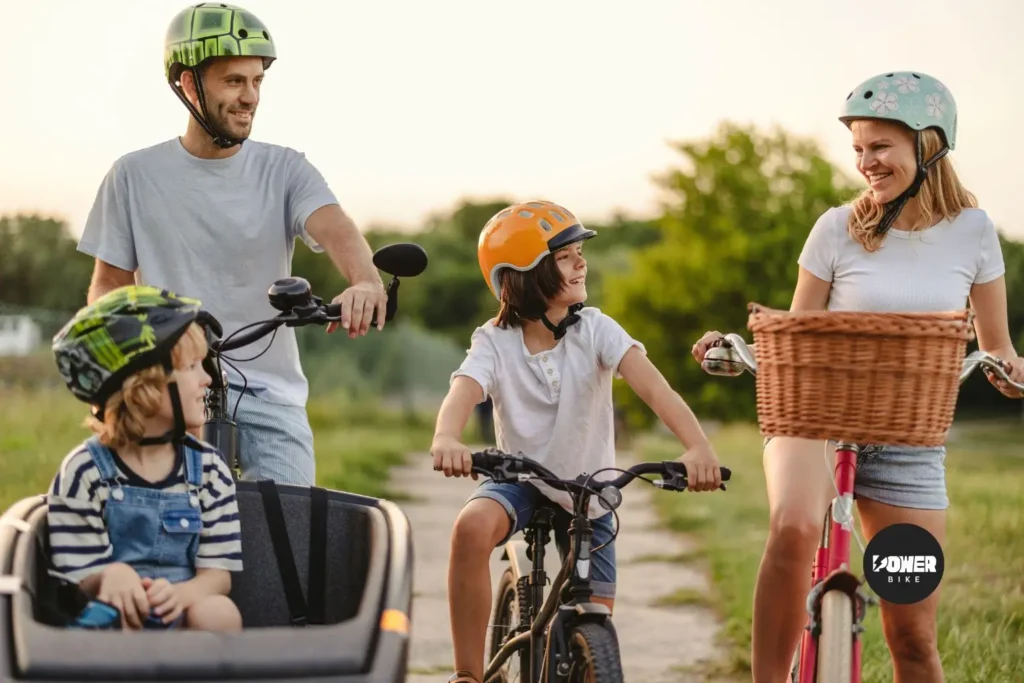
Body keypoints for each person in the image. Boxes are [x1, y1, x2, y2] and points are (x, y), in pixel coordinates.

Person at [692, 71, 1024, 683]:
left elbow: (998, 348)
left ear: (929, 145)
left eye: (880, 147)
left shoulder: (974, 233)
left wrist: (1009, 371)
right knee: (793, 528)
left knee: (914, 637)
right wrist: (738, 346)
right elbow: (798, 331)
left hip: (910, 444)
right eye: (858, 150)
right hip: (815, 421)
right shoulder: (836, 227)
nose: (866, 163)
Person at [76, 2, 388, 486]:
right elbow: (108, 289)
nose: (250, 97)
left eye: (257, 81)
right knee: (155, 532)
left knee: (291, 538)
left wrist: (365, 281)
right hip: (169, 391)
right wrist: (125, 374)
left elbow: (336, 227)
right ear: (188, 85)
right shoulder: (133, 176)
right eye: (233, 81)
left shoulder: (285, 168)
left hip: (270, 394)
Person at [430, 200, 724, 683]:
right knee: (470, 528)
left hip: (591, 491)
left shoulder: (596, 330)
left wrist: (698, 448)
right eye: (566, 256)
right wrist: (447, 436)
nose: (582, 261)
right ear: (526, 276)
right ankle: (467, 674)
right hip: (520, 478)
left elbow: (655, 389)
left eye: (578, 252)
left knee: (592, 628)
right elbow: (463, 390)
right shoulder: (495, 340)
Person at [47, 285, 244, 631]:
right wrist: (111, 575)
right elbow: (75, 577)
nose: (208, 379)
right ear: (146, 386)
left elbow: (218, 575)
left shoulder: (210, 471)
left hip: (182, 618)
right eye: (193, 367)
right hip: (116, 623)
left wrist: (182, 596)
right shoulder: (85, 472)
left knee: (218, 612)